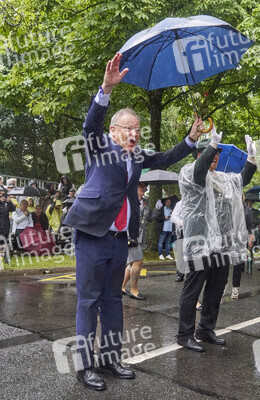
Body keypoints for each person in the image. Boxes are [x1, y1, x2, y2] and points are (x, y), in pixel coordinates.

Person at [64, 53, 204, 391]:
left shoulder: (137, 157)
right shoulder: (99, 146)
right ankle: (85, 367)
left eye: (138, 130)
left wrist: (190, 139)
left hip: (118, 239)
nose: (135, 134)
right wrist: (106, 90)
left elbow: (164, 157)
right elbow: (90, 125)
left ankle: (110, 359)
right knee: (89, 301)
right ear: (114, 131)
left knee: (113, 300)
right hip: (93, 235)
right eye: (129, 129)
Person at [176, 128, 256, 353]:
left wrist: (251, 159)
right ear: (200, 155)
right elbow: (198, 174)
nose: (216, 157)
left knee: (216, 287)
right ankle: (184, 334)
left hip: (221, 245)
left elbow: (241, 180)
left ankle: (206, 329)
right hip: (198, 243)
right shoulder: (188, 172)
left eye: (217, 153)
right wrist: (210, 146)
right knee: (193, 288)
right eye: (212, 153)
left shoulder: (221, 179)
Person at [121, 182, 158, 300]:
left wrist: (157, 209)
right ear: (134, 187)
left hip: (142, 237)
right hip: (131, 236)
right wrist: (128, 236)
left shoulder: (145, 202)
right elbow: (124, 219)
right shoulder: (129, 202)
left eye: (145, 186)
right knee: (137, 262)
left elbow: (150, 218)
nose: (145, 188)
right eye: (142, 186)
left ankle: (121, 287)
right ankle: (134, 290)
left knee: (131, 264)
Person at [231, 198, 254, 299]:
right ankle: (222, 286)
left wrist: (250, 239)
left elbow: (250, 226)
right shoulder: (229, 207)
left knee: (237, 265)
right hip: (228, 239)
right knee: (224, 265)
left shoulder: (246, 210)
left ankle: (235, 288)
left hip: (241, 240)